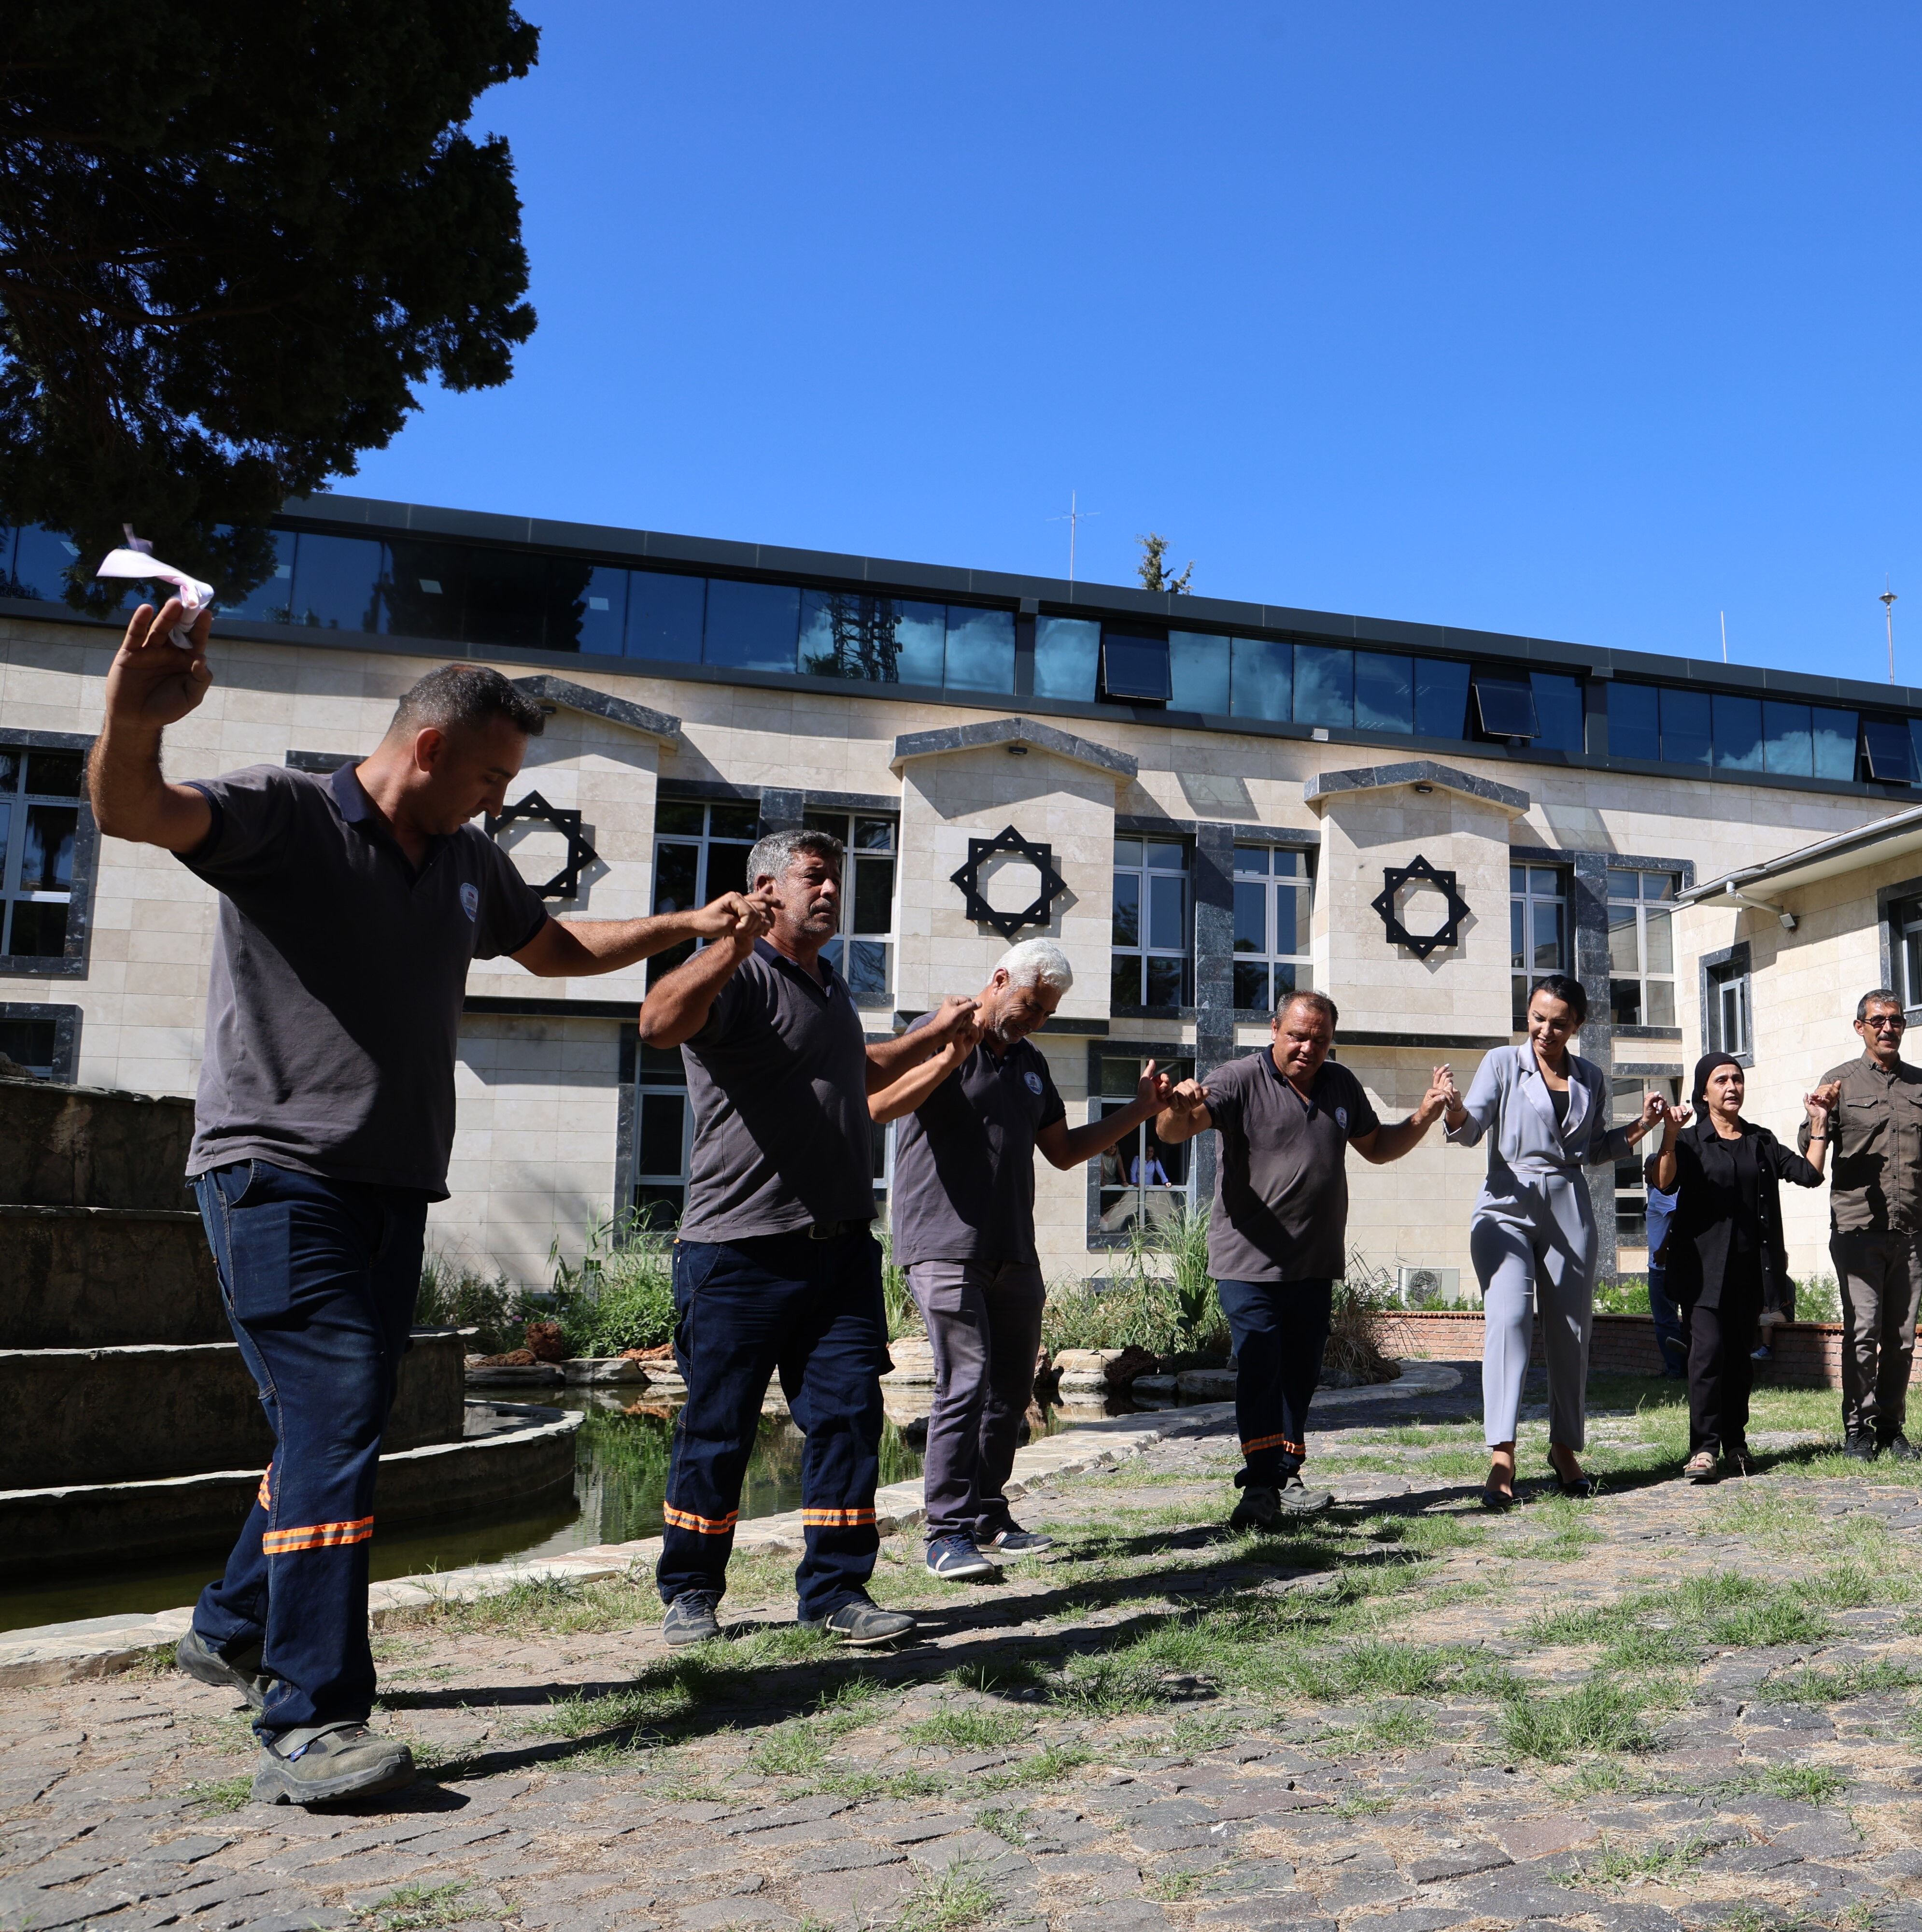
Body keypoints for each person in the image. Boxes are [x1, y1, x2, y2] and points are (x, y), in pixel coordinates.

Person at [88, 614, 745, 1805]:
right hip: (275, 1172)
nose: (501, 801)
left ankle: (230, 1621)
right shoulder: (285, 814)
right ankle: (310, 1716)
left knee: (339, 1420)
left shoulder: (463, 864)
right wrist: (134, 712)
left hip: (394, 1185)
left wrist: (684, 928)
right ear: (431, 748)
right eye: (494, 776)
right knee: (338, 1411)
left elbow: (553, 949)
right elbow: (137, 811)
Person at [640, 828, 982, 1652]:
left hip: (838, 1251)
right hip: (737, 1251)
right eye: (816, 878)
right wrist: (728, 944)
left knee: (846, 1420)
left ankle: (836, 1590)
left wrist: (939, 1033)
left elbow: (859, 1070)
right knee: (719, 1428)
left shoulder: (829, 987)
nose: (831, 892)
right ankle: (690, 1591)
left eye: (837, 882)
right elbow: (657, 1023)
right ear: (766, 888)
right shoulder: (738, 971)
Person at [869, 939, 1172, 1583]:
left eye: (1047, 1013)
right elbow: (881, 1107)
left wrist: (1140, 1111)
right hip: (942, 1244)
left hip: (1014, 1250)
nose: (1036, 1020)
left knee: (1010, 1392)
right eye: (1031, 1006)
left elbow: (1064, 1152)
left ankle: (988, 1515)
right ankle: (946, 1532)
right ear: (1001, 979)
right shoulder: (939, 1031)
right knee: (965, 1381)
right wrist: (952, 1054)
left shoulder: (1032, 1063)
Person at [1154, 990, 1459, 1526]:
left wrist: (1425, 1114)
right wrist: (1175, 1110)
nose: (1307, 1047)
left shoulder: (1340, 1084)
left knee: (1299, 1372)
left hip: (1315, 1260)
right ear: (1274, 1028)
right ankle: (1259, 1486)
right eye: (1297, 1035)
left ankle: (1285, 1475)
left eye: (1319, 1038)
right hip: (1248, 1259)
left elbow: (1379, 1147)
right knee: (1260, 1363)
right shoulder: (1239, 1078)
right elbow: (1178, 1128)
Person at [1446, 974, 1662, 1506]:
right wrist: (1451, 1107)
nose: (1545, 1029)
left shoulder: (1590, 1075)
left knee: (1572, 1332)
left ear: (1577, 1026)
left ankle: (1565, 1446)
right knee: (1511, 1321)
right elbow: (1470, 1129)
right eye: (1538, 1018)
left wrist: (1641, 1125)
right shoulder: (1502, 1063)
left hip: (1570, 1204)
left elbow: (1593, 1149)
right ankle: (1502, 1455)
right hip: (1507, 1200)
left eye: (1558, 1023)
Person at [1805, 991, 1922, 1462]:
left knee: (1900, 1338)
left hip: (1911, 1232)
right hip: (1858, 1229)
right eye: (1878, 1020)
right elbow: (1810, 1146)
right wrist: (1821, 1114)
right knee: (1863, 1333)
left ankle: (1890, 1426)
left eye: (1896, 1020)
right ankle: (1857, 1429)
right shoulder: (1839, 1082)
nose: (1888, 1028)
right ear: (1859, 1026)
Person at [1647, 1052, 1832, 1481]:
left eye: (1737, 1079)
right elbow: (1662, 1180)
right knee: (1707, 1358)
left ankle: (1736, 1444)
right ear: (1704, 1091)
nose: (1732, 1087)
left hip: (1751, 1272)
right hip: (1702, 1273)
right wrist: (1670, 1136)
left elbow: (1809, 1173)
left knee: (1740, 1364)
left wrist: (1819, 1123)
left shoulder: (1761, 1142)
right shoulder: (1691, 1142)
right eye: (1721, 1081)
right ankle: (1704, 1448)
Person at [1644, 1176, 1687, 1379]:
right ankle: (1676, 1368)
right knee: (1669, 1320)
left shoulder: (1661, 1192)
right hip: (1667, 1266)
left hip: (1662, 1268)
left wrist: (1664, 1250)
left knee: (1664, 1321)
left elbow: (1678, 1218)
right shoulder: (1658, 1193)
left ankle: (1676, 1369)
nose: (1644, 1172)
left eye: (1647, 1167)